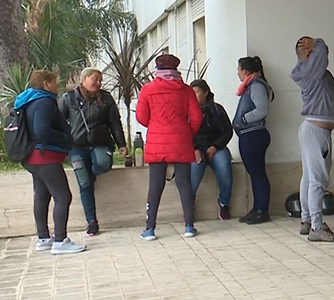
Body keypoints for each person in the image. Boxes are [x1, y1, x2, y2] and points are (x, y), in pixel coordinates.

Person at [14, 70, 86, 255]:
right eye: (54, 82)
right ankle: (60, 241)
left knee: (42, 195)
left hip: (32, 157)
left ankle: (44, 238)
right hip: (44, 157)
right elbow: (42, 130)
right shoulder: (44, 102)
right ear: (46, 84)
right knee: (63, 196)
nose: (57, 86)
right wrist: (63, 137)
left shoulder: (28, 101)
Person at [135, 54, 203, 241]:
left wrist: (157, 125)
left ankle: (149, 229)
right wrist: (185, 132)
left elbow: (141, 117)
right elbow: (197, 117)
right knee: (184, 183)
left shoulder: (147, 89)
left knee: (155, 185)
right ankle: (189, 226)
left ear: (157, 69)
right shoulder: (186, 90)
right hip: (181, 140)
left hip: (157, 141)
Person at [58, 67, 127, 236]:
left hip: (101, 144)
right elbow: (59, 121)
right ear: (84, 79)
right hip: (76, 147)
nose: (98, 82)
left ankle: (92, 174)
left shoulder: (106, 98)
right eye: (94, 79)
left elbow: (115, 123)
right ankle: (92, 222)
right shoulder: (68, 98)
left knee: (102, 165)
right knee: (84, 184)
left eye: (100, 80)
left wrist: (121, 144)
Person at [290, 36, 334, 242]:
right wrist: (317, 42)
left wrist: (316, 45)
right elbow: (322, 52)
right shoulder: (311, 70)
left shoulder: (310, 71)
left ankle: (307, 221)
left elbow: (322, 53)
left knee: (310, 178)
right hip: (316, 131)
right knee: (318, 181)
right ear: (309, 54)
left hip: (313, 130)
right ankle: (317, 227)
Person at [232, 56, 274, 225]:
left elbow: (263, 109)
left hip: (254, 135)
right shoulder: (249, 86)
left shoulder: (256, 86)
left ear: (246, 71)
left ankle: (262, 210)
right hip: (248, 135)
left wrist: (244, 119)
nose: (237, 73)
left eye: (239, 69)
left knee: (258, 174)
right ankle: (256, 208)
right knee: (254, 174)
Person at [189, 79, 234, 221]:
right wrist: (194, 149)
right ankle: (189, 203)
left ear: (206, 92)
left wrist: (215, 146)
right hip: (196, 148)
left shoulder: (217, 109)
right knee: (195, 167)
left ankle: (224, 203)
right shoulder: (187, 112)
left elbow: (228, 131)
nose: (194, 95)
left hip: (216, 147)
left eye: (196, 92)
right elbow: (183, 133)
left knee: (224, 165)